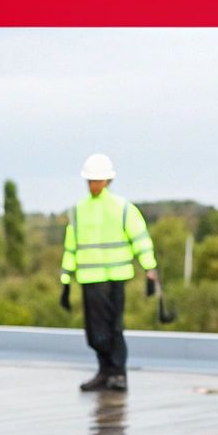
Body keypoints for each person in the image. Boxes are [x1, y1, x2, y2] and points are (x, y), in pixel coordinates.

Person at [58, 153, 158, 392]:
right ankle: (105, 372)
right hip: (90, 279)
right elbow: (71, 246)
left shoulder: (123, 208)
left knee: (114, 327)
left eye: (97, 180)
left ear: (107, 181)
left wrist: (150, 269)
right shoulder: (78, 211)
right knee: (95, 331)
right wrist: (65, 279)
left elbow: (140, 240)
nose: (94, 184)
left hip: (116, 277)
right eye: (90, 180)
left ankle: (118, 373)